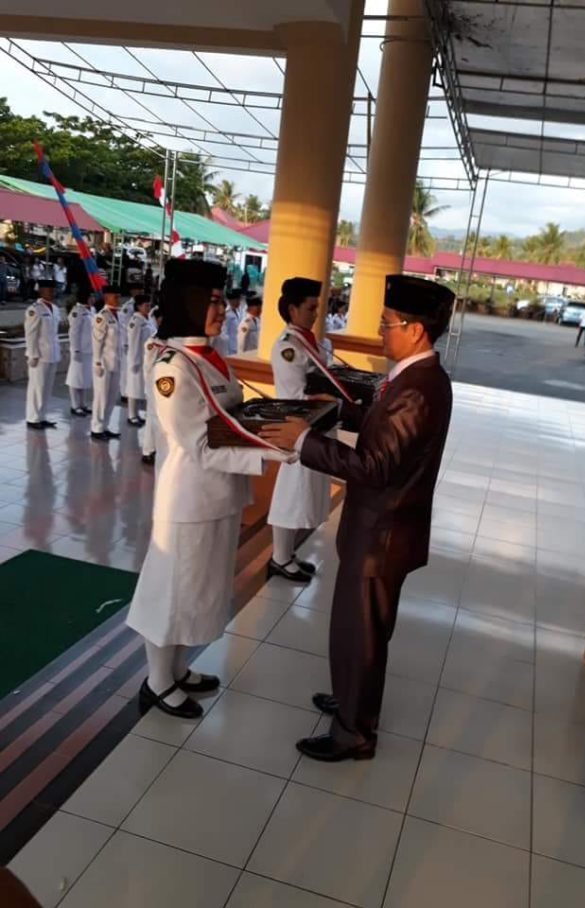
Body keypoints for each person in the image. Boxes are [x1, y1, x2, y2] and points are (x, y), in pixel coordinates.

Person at [260, 274, 454, 762]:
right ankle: (352, 697)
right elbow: (382, 428)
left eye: (387, 323)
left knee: (363, 632)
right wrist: (339, 415)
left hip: (381, 536)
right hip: (380, 530)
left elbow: (375, 467)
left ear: (415, 329)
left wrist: (304, 442)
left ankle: (354, 734)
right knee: (359, 630)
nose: (381, 330)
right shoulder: (414, 377)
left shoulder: (420, 388)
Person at [126, 259, 291, 718]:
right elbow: (200, 445)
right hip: (189, 499)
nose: (222, 309)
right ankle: (156, 681)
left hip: (218, 494)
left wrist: (273, 426)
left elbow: (229, 420)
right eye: (213, 301)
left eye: (221, 300)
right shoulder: (172, 369)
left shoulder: (208, 356)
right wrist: (273, 452)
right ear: (189, 304)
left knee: (197, 589)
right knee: (172, 591)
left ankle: (176, 668)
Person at [267, 277, 331, 582]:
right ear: (292, 309)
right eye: (309, 307)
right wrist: (323, 396)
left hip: (313, 425)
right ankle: (279, 557)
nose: (315, 313)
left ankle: (286, 553)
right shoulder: (287, 347)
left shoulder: (306, 341)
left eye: (317, 307)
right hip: (296, 426)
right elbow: (294, 396)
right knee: (291, 492)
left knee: (303, 492)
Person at [24, 278, 61, 430]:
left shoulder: (55, 308)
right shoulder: (35, 309)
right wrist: (32, 354)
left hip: (52, 353)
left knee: (47, 388)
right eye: (48, 289)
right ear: (40, 291)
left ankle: (42, 416)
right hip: (39, 355)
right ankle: (33, 418)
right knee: (36, 387)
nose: (52, 292)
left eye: (53, 290)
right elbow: (31, 333)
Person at [90, 284, 123, 441]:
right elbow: (97, 341)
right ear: (106, 297)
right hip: (103, 363)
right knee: (101, 397)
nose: (118, 298)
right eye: (114, 296)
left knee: (111, 397)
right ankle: (96, 428)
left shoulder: (118, 315)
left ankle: (105, 426)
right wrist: (97, 362)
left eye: (118, 296)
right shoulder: (101, 316)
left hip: (116, 362)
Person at [65, 287, 95, 416]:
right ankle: (74, 405)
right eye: (91, 296)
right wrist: (75, 349)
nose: (94, 298)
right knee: (75, 378)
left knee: (84, 378)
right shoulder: (77, 311)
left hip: (89, 349)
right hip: (79, 350)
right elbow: (73, 332)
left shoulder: (91, 310)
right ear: (85, 297)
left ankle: (82, 404)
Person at [126, 293, 154, 426]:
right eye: (146, 305)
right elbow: (133, 342)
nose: (148, 308)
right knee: (133, 388)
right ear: (138, 306)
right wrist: (134, 361)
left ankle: (136, 413)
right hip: (137, 359)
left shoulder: (147, 319)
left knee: (140, 387)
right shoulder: (135, 322)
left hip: (146, 359)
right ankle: (131, 415)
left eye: (149, 305)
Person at [141, 307, 162, 466]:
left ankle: (154, 448)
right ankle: (147, 451)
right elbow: (148, 368)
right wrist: (150, 389)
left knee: (158, 419)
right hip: (154, 386)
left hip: (162, 387)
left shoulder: (165, 339)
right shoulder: (153, 342)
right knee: (152, 419)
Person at [119, 282, 143, 401]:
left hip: (139, 342)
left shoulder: (144, 304)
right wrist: (125, 343)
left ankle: (135, 392)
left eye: (140, 290)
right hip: (128, 343)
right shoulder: (127, 307)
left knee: (137, 369)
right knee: (126, 368)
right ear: (132, 292)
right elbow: (123, 326)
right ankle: (124, 393)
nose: (139, 292)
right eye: (137, 290)